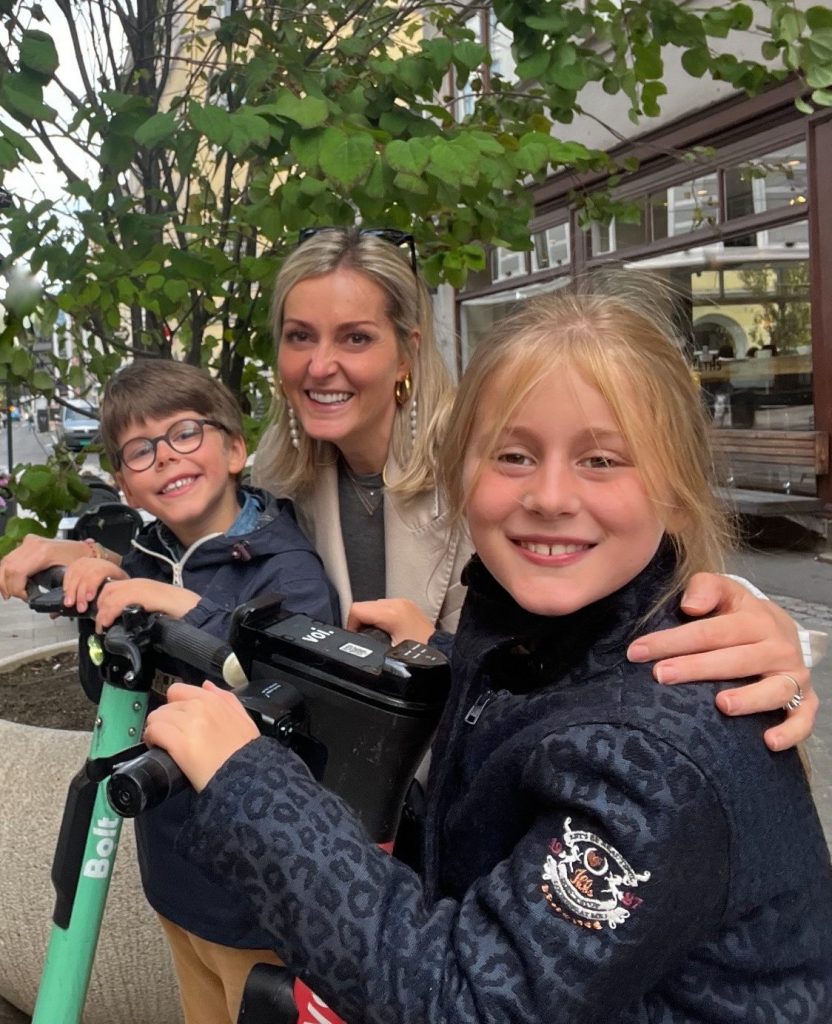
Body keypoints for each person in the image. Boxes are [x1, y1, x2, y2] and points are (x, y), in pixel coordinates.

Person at [145, 284, 832, 1023]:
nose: (550, 496)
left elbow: (470, 1003)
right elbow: (557, 705)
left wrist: (250, 785)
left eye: (602, 459)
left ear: (676, 485)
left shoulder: (654, 759)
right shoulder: (526, 625)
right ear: (462, 472)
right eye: (513, 455)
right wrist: (452, 661)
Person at [253, 226, 819, 750]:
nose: (319, 365)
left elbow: (646, 572)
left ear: (407, 352)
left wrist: (763, 633)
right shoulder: (274, 481)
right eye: (299, 336)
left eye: (355, 338)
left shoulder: (490, 457)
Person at [39, 360, 339, 1024]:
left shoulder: (285, 566)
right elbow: (107, 690)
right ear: (125, 484)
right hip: (174, 878)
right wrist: (96, 609)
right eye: (140, 450)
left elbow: (296, 699)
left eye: (184, 433)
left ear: (234, 449)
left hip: (257, 896)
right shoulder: (141, 558)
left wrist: (180, 607)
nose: (166, 457)